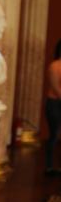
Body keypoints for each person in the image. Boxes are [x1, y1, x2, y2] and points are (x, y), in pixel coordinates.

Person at [45, 39, 61, 175]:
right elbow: (56, 87)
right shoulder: (55, 66)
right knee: (54, 135)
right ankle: (49, 166)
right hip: (54, 104)